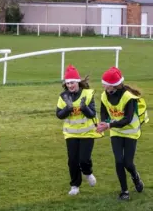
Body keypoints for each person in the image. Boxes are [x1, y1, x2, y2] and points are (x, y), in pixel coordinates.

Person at [96, 67, 148, 201]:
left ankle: (135, 177)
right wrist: (104, 123)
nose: (103, 85)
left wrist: (109, 125)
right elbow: (104, 113)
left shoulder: (128, 97)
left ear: (113, 84)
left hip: (130, 132)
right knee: (119, 161)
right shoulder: (104, 95)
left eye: (105, 82)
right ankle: (124, 191)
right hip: (116, 132)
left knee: (128, 163)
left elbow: (128, 119)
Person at [56, 65, 102, 196]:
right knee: (72, 161)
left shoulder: (88, 94)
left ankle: (87, 173)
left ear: (78, 82)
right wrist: (68, 109)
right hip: (71, 133)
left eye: (72, 82)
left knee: (84, 159)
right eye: (68, 83)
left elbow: (92, 114)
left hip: (87, 133)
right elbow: (59, 115)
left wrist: (84, 108)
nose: (70, 85)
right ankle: (75, 185)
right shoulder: (63, 96)